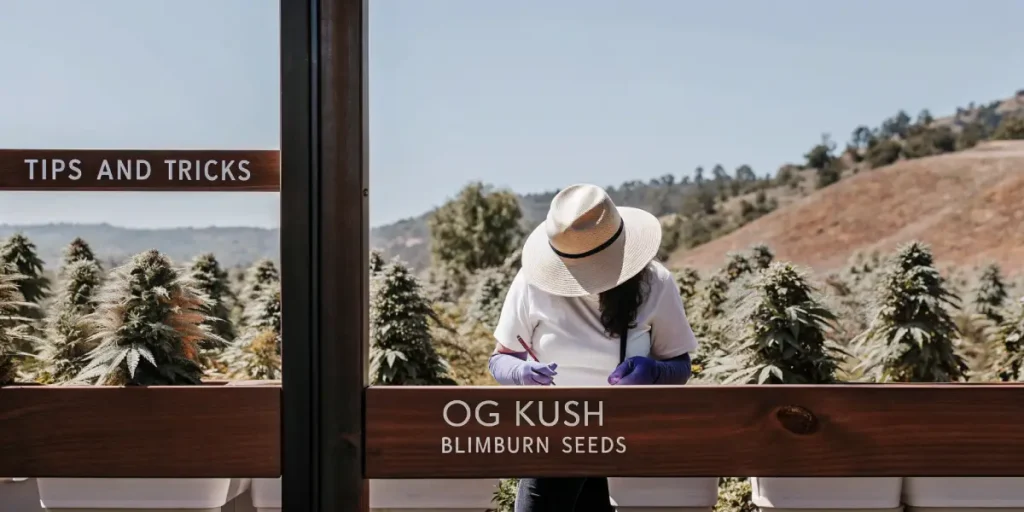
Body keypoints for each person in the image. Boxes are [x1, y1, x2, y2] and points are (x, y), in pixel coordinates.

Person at [487, 183, 699, 512]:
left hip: (621, 439)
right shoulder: (531, 282)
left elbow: (680, 365)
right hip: (553, 436)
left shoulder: (655, 282)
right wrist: (520, 373)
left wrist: (653, 372)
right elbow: (500, 360)